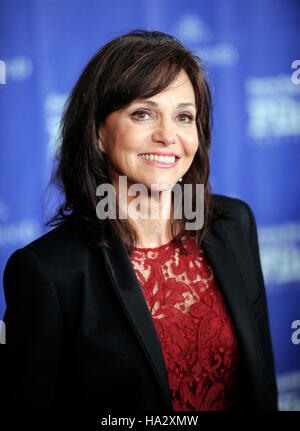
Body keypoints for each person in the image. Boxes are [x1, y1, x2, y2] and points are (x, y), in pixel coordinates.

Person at [2, 29, 277, 412]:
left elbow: (261, 388)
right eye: (143, 113)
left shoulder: (234, 225)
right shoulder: (47, 272)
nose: (168, 135)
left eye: (184, 117)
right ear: (98, 132)